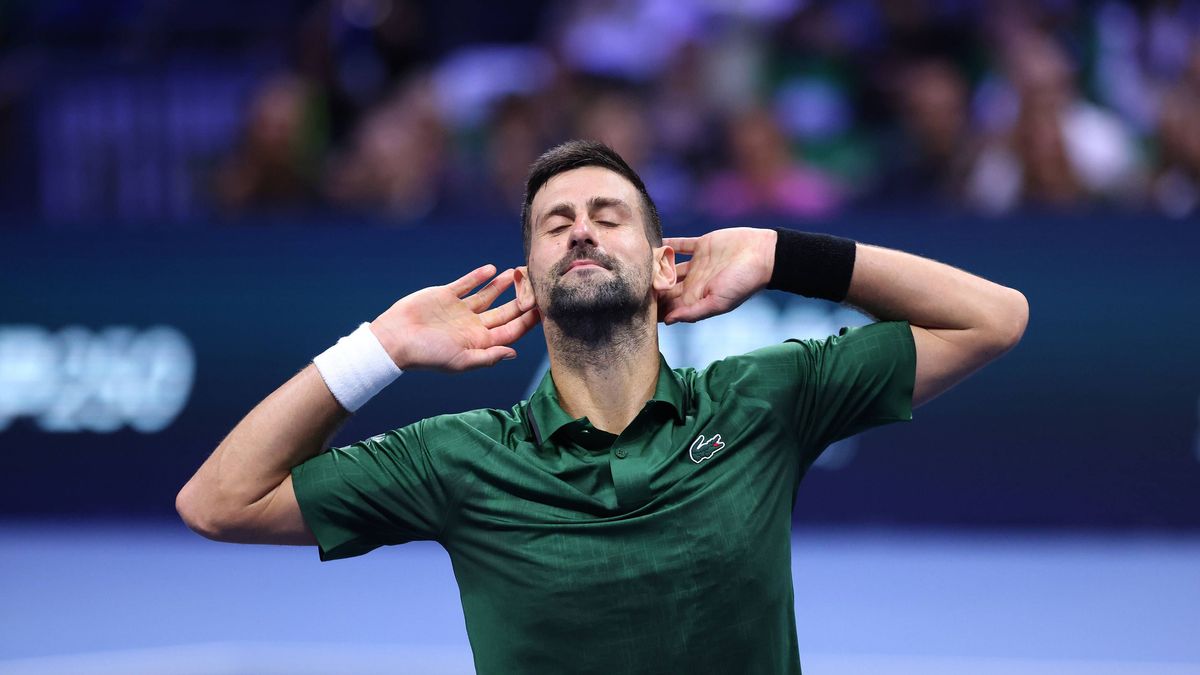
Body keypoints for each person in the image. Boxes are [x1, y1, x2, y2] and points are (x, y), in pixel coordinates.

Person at [177, 140, 1028, 673]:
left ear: (664, 264)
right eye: (555, 224)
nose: (581, 230)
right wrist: (380, 348)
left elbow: (994, 317)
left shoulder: (765, 398)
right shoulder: (457, 458)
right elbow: (218, 501)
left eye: (607, 215)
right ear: (531, 284)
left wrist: (782, 252)